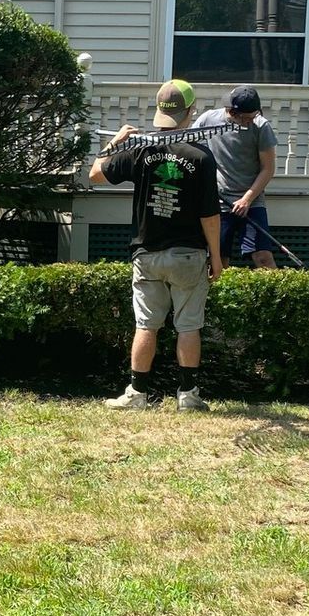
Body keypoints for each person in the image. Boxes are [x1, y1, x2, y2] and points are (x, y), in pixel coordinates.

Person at [88, 77, 224, 411]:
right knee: (188, 325)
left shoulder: (140, 149)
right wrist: (216, 256)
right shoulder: (202, 157)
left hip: (147, 252)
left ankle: (137, 394)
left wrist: (116, 143)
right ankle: (188, 397)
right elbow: (209, 214)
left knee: (146, 325)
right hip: (189, 255)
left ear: (160, 110)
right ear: (190, 111)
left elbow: (94, 174)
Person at [194, 85, 279, 269]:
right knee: (217, 260)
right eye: (246, 118)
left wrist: (247, 199)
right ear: (232, 112)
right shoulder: (208, 120)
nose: (250, 122)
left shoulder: (261, 126)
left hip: (252, 202)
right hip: (219, 203)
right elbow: (187, 147)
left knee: (263, 258)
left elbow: (268, 169)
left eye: (253, 116)